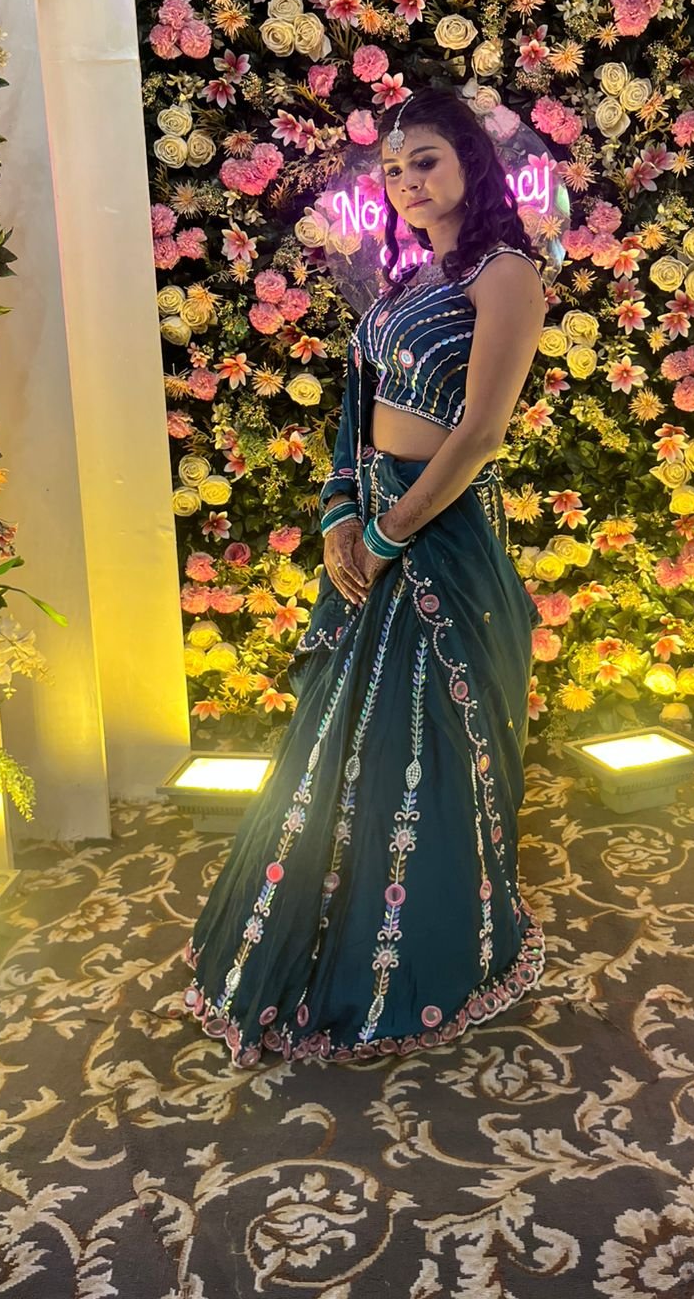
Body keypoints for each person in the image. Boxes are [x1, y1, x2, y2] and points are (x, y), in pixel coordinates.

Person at [178, 86, 549, 1066]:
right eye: (393, 169)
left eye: (425, 160)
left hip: (442, 533)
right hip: (376, 518)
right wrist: (342, 510)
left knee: (427, 742)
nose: (407, 181)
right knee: (343, 738)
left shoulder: (508, 274)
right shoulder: (406, 279)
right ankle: (321, 933)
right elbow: (357, 406)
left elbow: (480, 432)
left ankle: (415, 957)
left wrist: (388, 534)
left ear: (470, 163)